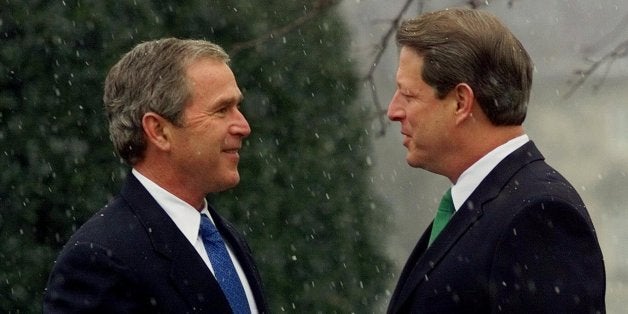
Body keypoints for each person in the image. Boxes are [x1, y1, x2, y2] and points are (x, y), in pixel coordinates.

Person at [385, 8, 605, 313]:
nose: (393, 111)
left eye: (408, 96)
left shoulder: (538, 215)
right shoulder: (484, 206)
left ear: (461, 102)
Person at [44, 38, 267, 313]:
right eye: (222, 110)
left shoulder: (225, 240)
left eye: (238, 107)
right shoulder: (99, 260)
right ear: (159, 131)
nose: (243, 126)